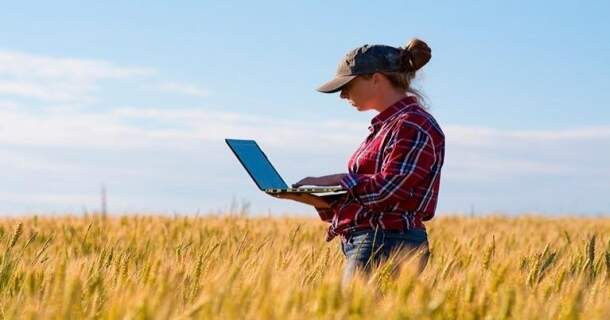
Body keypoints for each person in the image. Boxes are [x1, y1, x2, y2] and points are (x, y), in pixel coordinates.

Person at [273, 38, 445, 285]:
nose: (343, 95)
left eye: (348, 85)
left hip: (387, 242)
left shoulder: (411, 125)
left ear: (376, 78)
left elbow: (389, 190)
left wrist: (334, 180)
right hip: (378, 240)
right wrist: (321, 200)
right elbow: (375, 195)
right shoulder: (389, 126)